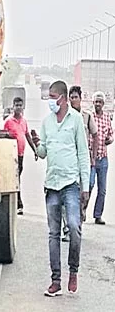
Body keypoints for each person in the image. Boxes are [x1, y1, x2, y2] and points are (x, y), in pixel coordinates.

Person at [31, 80, 90, 296]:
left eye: (53, 96)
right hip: (52, 184)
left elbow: (83, 154)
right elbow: (44, 152)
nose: (50, 100)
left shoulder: (75, 121)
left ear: (63, 98)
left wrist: (85, 186)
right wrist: (36, 144)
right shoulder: (47, 122)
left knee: (74, 227)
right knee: (53, 233)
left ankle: (73, 270)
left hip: (71, 185)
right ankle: (55, 280)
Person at [68, 85, 97, 233]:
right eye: (71, 97)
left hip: (85, 158)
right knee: (73, 190)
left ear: (80, 98)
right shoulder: (67, 117)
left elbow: (95, 134)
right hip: (71, 159)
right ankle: (74, 222)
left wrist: (94, 155)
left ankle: (82, 209)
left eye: (76, 97)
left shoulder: (87, 116)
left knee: (89, 185)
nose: (73, 100)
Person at [2, 96, 38, 215]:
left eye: (20, 105)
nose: (18, 108)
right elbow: (3, 137)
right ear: (13, 107)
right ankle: (18, 204)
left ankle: (15, 203)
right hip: (11, 155)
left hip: (21, 155)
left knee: (17, 179)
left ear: (22, 107)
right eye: (16, 105)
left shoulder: (24, 121)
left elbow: (27, 136)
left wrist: (35, 150)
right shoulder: (8, 121)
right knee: (15, 179)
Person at [89, 91, 113, 225]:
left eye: (100, 102)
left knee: (102, 189)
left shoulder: (106, 118)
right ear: (93, 103)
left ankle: (98, 215)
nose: (98, 104)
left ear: (103, 104)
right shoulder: (89, 117)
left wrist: (110, 140)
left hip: (103, 158)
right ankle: (82, 211)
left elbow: (111, 134)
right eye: (96, 101)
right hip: (92, 158)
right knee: (89, 185)